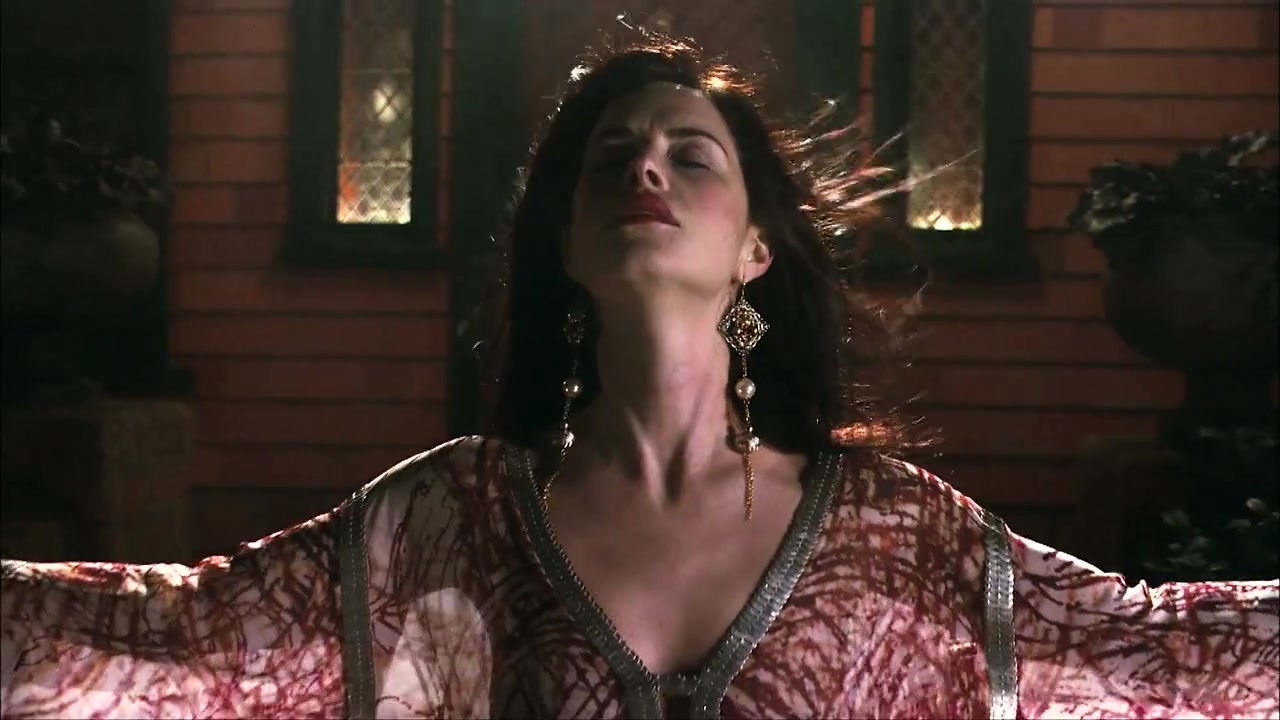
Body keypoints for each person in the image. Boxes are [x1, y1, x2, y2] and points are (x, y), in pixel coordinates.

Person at [2, 38, 1277, 720]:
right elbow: (170, 638)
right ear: (564, 243)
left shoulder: (895, 531)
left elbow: (1146, 649)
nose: (646, 169)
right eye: (611, 157)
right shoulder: (449, 516)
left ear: (756, 248)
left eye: (689, 154)